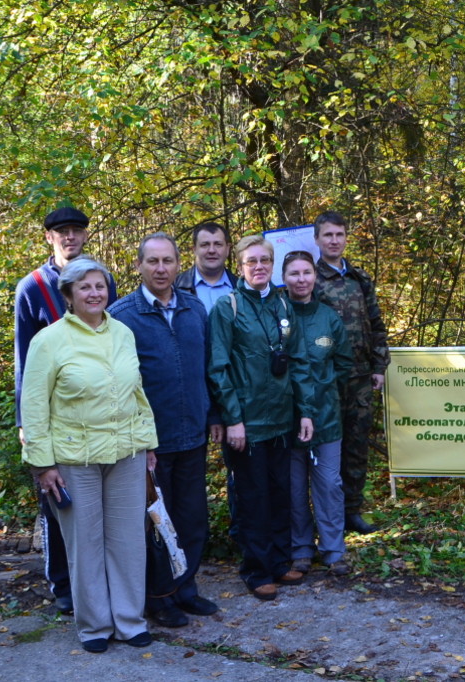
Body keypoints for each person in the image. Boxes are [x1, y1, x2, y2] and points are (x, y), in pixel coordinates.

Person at [20, 256, 157, 653]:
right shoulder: (48, 341)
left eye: (100, 286)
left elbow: (137, 394)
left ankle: (130, 621)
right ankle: (95, 626)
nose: (94, 293)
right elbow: (34, 407)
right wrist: (43, 464)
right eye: (85, 287)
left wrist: (148, 444)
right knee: (85, 543)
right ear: (68, 295)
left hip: (126, 454)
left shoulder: (124, 333)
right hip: (73, 461)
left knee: (129, 541)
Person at [108, 233, 220, 628]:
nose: (160, 269)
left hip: (193, 435)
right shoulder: (122, 315)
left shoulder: (194, 309)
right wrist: (139, 439)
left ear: (178, 264)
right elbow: (118, 386)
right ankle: (159, 597)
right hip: (149, 444)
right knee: (156, 522)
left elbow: (208, 369)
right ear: (138, 265)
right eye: (152, 261)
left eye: (167, 261)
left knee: (192, 519)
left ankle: (186, 589)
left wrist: (215, 416)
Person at [14, 206, 117, 615]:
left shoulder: (101, 279)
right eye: (62, 232)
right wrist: (26, 422)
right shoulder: (34, 286)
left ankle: (100, 584)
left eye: (76, 231)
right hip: (54, 415)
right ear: (49, 238)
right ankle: (63, 585)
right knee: (59, 500)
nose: (70, 237)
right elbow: (24, 359)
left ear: (86, 236)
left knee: (100, 508)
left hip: (98, 416)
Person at [208, 235, 317, 600]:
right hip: (248, 423)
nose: (259, 267)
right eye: (251, 261)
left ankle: (280, 560)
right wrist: (233, 419)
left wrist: (304, 411)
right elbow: (219, 367)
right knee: (253, 499)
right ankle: (256, 571)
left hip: (282, 420)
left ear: (273, 265)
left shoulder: (283, 305)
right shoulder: (229, 307)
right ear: (239, 266)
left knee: (280, 493)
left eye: (265, 261)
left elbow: (298, 362)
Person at [312, 211, 390, 535]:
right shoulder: (309, 279)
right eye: (328, 235)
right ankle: (325, 518)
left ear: (346, 237)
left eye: (339, 235)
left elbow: (376, 325)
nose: (334, 241)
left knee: (357, 448)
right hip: (325, 379)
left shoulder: (359, 278)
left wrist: (379, 365)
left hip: (360, 378)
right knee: (325, 452)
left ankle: (352, 511)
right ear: (317, 239)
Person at [282, 251, 353, 577]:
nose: (300, 279)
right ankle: (300, 549)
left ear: (314, 276)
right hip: (287, 419)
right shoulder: (277, 315)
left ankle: (333, 550)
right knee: (295, 488)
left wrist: (324, 394)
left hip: (326, 419)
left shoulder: (329, 317)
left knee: (328, 485)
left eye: (306, 273)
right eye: (294, 273)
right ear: (284, 278)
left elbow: (343, 363)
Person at [174, 221, 240, 548]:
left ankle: (240, 539)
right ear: (195, 249)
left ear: (228, 249)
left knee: (241, 472)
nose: (212, 249)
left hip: (236, 395)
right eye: (205, 244)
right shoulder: (176, 288)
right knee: (188, 476)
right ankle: (187, 548)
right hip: (191, 395)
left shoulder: (243, 288)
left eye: (218, 243)